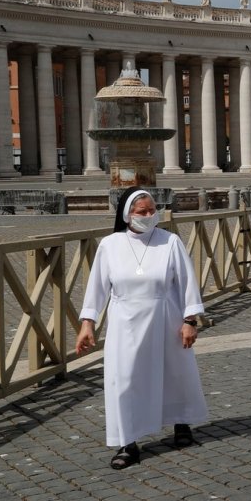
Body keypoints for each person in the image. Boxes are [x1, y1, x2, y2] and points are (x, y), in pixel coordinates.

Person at [76, 190, 207, 470]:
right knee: (124, 380)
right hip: (125, 323)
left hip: (165, 316)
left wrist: (190, 321)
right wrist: (88, 323)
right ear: (126, 214)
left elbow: (186, 282)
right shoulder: (110, 245)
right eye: (142, 212)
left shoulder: (169, 241)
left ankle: (181, 422)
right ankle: (127, 441)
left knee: (173, 373)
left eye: (152, 211)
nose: (149, 216)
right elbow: (97, 287)